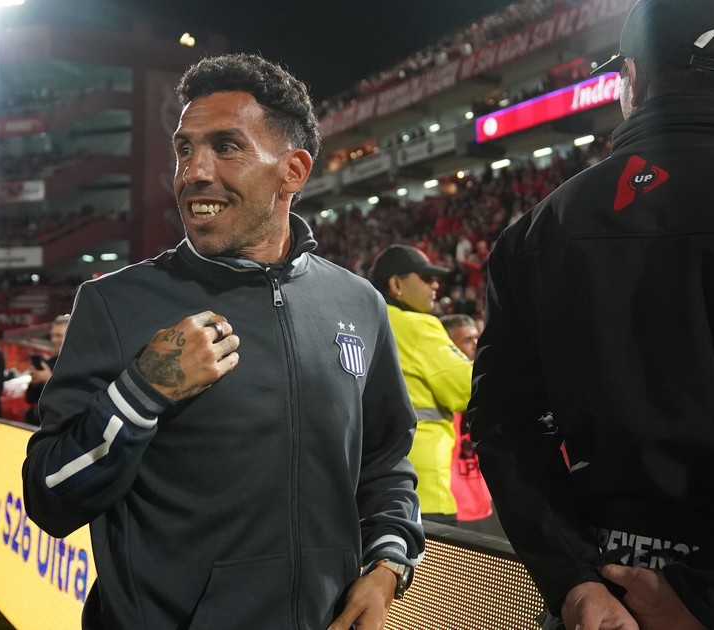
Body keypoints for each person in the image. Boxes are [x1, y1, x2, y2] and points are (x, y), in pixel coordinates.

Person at [468, 1, 714, 628]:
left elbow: (505, 425)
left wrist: (572, 579)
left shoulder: (536, 231)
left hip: (606, 591)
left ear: (632, 77)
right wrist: (707, 591)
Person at [22, 53, 423, 630]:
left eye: (226, 146)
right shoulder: (115, 304)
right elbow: (49, 496)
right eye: (185, 149)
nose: (193, 172)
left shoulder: (357, 303)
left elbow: (384, 462)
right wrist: (140, 392)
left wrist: (388, 564)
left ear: (293, 172)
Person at [369, 244, 472, 527]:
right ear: (396, 284)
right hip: (423, 484)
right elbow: (466, 389)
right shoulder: (419, 326)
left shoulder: (364, 320)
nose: (435, 284)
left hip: (373, 481)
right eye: (425, 278)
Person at [24, 314, 69, 426]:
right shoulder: (49, 363)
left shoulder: (78, 365)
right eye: (52, 336)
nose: (53, 340)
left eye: (59, 336)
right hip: (38, 424)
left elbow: (72, 399)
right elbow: (30, 398)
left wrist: (48, 379)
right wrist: (34, 381)